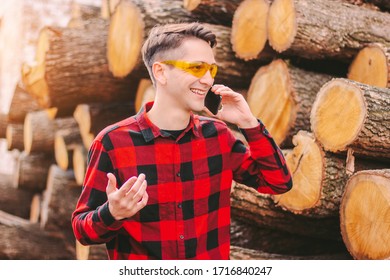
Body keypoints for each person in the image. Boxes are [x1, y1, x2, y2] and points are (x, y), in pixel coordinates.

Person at [72, 22, 292, 260]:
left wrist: (249, 123)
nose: (208, 80)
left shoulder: (218, 136)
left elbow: (278, 183)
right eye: (197, 68)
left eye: (211, 70)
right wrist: (112, 212)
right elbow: (82, 231)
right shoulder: (112, 142)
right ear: (160, 72)